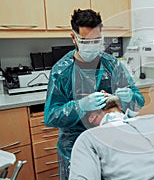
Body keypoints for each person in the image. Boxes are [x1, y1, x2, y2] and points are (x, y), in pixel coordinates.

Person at [44, 9, 145, 180]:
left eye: (96, 40)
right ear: (73, 37)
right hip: (75, 146)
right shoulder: (61, 72)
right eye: (85, 40)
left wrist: (129, 97)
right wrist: (80, 106)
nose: (91, 45)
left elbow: (138, 101)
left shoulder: (111, 65)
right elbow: (51, 116)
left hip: (112, 142)